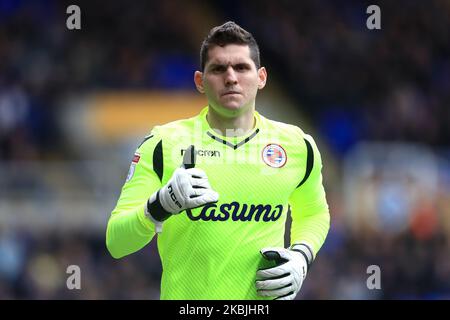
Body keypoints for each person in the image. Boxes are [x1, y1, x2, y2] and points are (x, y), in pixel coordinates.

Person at [106, 21, 330, 300]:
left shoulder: (298, 146)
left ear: (261, 77)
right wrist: (160, 205)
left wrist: (301, 255)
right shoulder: (163, 145)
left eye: (242, 67)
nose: (231, 77)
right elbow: (117, 242)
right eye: (218, 68)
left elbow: (313, 213)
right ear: (200, 81)